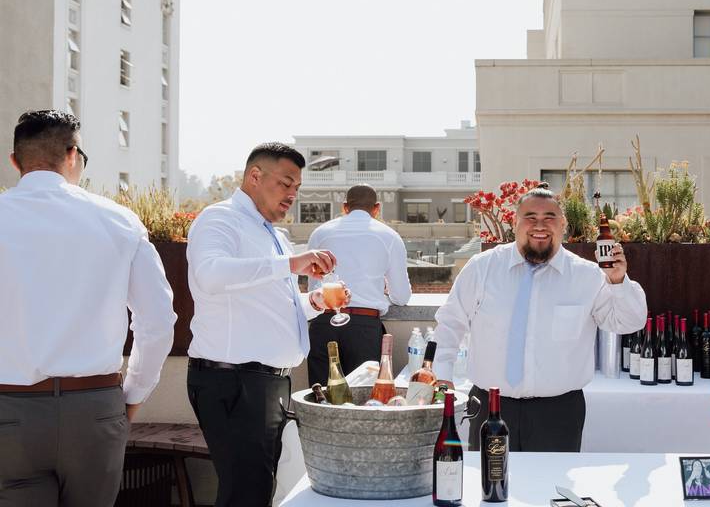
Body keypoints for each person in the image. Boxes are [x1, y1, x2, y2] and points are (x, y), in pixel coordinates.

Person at [0, 110, 177, 506]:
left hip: (8, 410)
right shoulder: (119, 220)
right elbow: (158, 320)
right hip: (93, 407)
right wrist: (132, 396)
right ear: (73, 155)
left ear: (15, 162)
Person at [186, 143, 346, 506]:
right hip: (233, 381)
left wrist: (315, 302)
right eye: (286, 183)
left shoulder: (272, 234)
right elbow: (210, 275)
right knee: (247, 493)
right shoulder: (219, 219)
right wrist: (291, 264)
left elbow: (271, 308)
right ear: (255, 176)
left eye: (297, 188)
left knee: (257, 490)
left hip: (265, 383)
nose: (292, 194)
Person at [433, 183, 647, 452]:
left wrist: (618, 282)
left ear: (563, 225)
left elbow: (628, 322)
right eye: (530, 217)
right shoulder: (482, 268)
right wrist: (442, 376)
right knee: (489, 489)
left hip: (559, 413)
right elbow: (450, 324)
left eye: (549, 218)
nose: (540, 225)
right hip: (489, 406)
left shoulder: (588, 276)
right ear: (514, 222)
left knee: (551, 491)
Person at [306, 184, 412, 386]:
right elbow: (402, 296)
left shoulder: (320, 233)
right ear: (377, 208)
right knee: (362, 403)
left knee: (320, 400)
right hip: (364, 326)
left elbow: (313, 289)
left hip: (324, 324)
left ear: (345, 207)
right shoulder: (389, 236)